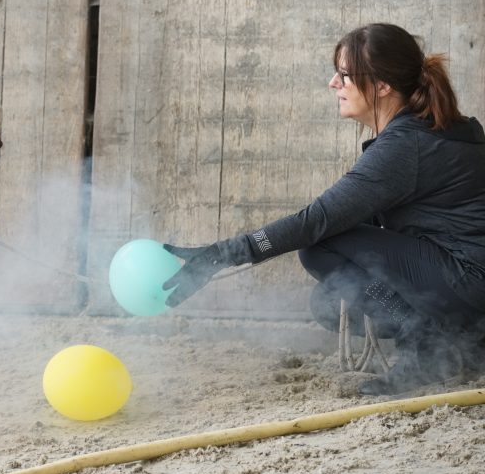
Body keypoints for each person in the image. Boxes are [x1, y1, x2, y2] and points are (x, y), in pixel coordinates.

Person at [162, 22, 485, 395]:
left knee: (320, 246)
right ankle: (467, 345)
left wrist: (224, 253)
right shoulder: (425, 130)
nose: (334, 83)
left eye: (345, 75)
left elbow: (317, 222)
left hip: (469, 279)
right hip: (465, 281)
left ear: (382, 86)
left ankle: (426, 346)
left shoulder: (406, 146)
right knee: (329, 301)